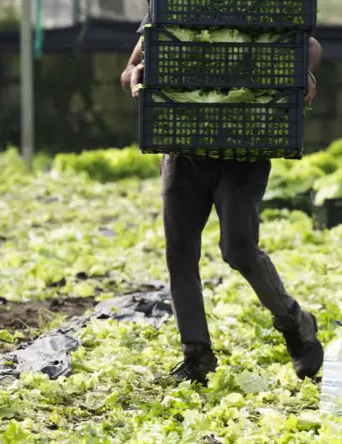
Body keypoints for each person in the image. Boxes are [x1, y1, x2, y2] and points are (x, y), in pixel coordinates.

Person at [121, 25, 324, 385]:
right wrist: (136, 75)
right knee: (180, 254)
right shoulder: (169, 12)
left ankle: (294, 321)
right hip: (184, 150)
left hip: (242, 149)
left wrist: (303, 71)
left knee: (239, 249)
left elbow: (308, 44)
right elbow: (130, 69)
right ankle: (196, 354)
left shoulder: (250, 9)